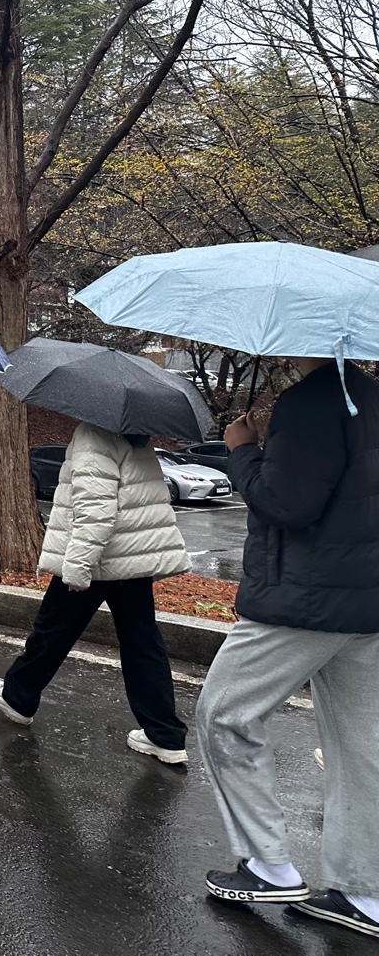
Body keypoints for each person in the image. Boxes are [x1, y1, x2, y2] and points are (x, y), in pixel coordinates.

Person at [195, 357, 379, 939]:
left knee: (225, 714)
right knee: (361, 747)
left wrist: (243, 450)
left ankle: (268, 865)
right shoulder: (371, 398)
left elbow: (288, 504)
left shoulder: (311, 402)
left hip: (304, 597)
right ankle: (364, 893)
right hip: (367, 601)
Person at [0, 422, 191, 764]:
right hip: (131, 561)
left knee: (52, 631)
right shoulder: (136, 436)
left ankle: (18, 697)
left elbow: (95, 510)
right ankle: (165, 735)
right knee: (142, 645)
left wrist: (77, 567)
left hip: (98, 558)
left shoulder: (94, 435)